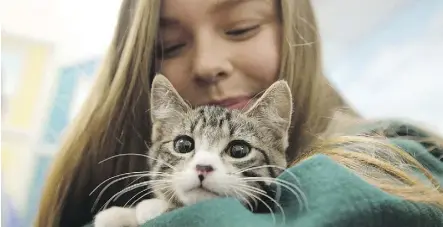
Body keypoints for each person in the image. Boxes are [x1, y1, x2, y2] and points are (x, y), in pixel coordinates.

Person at [35, 0, 443, 227]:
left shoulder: (396, 154)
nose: (208, 64)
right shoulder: (108, 185)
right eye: (171, 46)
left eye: (241, 28)